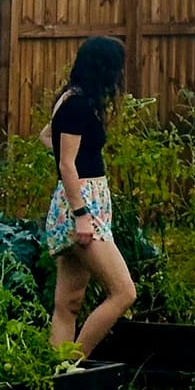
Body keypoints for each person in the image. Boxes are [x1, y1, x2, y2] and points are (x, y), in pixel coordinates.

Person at [40, 34, 136, 355]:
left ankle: (54, 376)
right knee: (123, 292)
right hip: (81, 209)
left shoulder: (72, 99)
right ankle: (72, 368)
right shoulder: (79, 105)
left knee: (68, 303)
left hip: (80, 203)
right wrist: (82, 215)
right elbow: (67, 165)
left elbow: (46, 137)